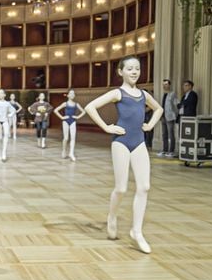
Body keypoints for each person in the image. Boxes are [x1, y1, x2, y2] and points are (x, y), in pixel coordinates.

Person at [84, 55, 164, 254]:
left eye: (137, 68)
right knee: (121, 188)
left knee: (144, 187)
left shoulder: (144, 95)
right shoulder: (117, 93)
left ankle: (137, 231)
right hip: (121, 142)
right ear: (121, 72)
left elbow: (159, 109)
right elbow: (90, 107)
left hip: (139, 143)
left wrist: (150, 124)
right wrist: (107, 127)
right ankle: (112, 216)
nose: (134, 72)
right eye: (129, 68)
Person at [53, 89, 86, 161]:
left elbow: (84, 111)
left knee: (73, 138)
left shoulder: (76, 104)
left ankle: (71, 153)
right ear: (68, 95)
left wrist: (77, 117)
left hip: (73, 121)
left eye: (73, 94)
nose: (72, 95)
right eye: (71, 93)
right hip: (65, 121)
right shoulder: (65, 104)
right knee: (66, 138)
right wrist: (62, 117)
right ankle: (64, 150)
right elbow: (56, 110)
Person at [159, 79, 178, 157]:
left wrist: (175, 115)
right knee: (164, 134)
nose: (164, 86)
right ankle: (165, 150)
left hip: (170, 117)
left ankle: (171, 151)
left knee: (171, 134)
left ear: (169, 85)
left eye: (166, 84)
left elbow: (175, 105)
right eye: (163, 84)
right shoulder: (163, 94)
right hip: (163, 116)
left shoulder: (172, 94)